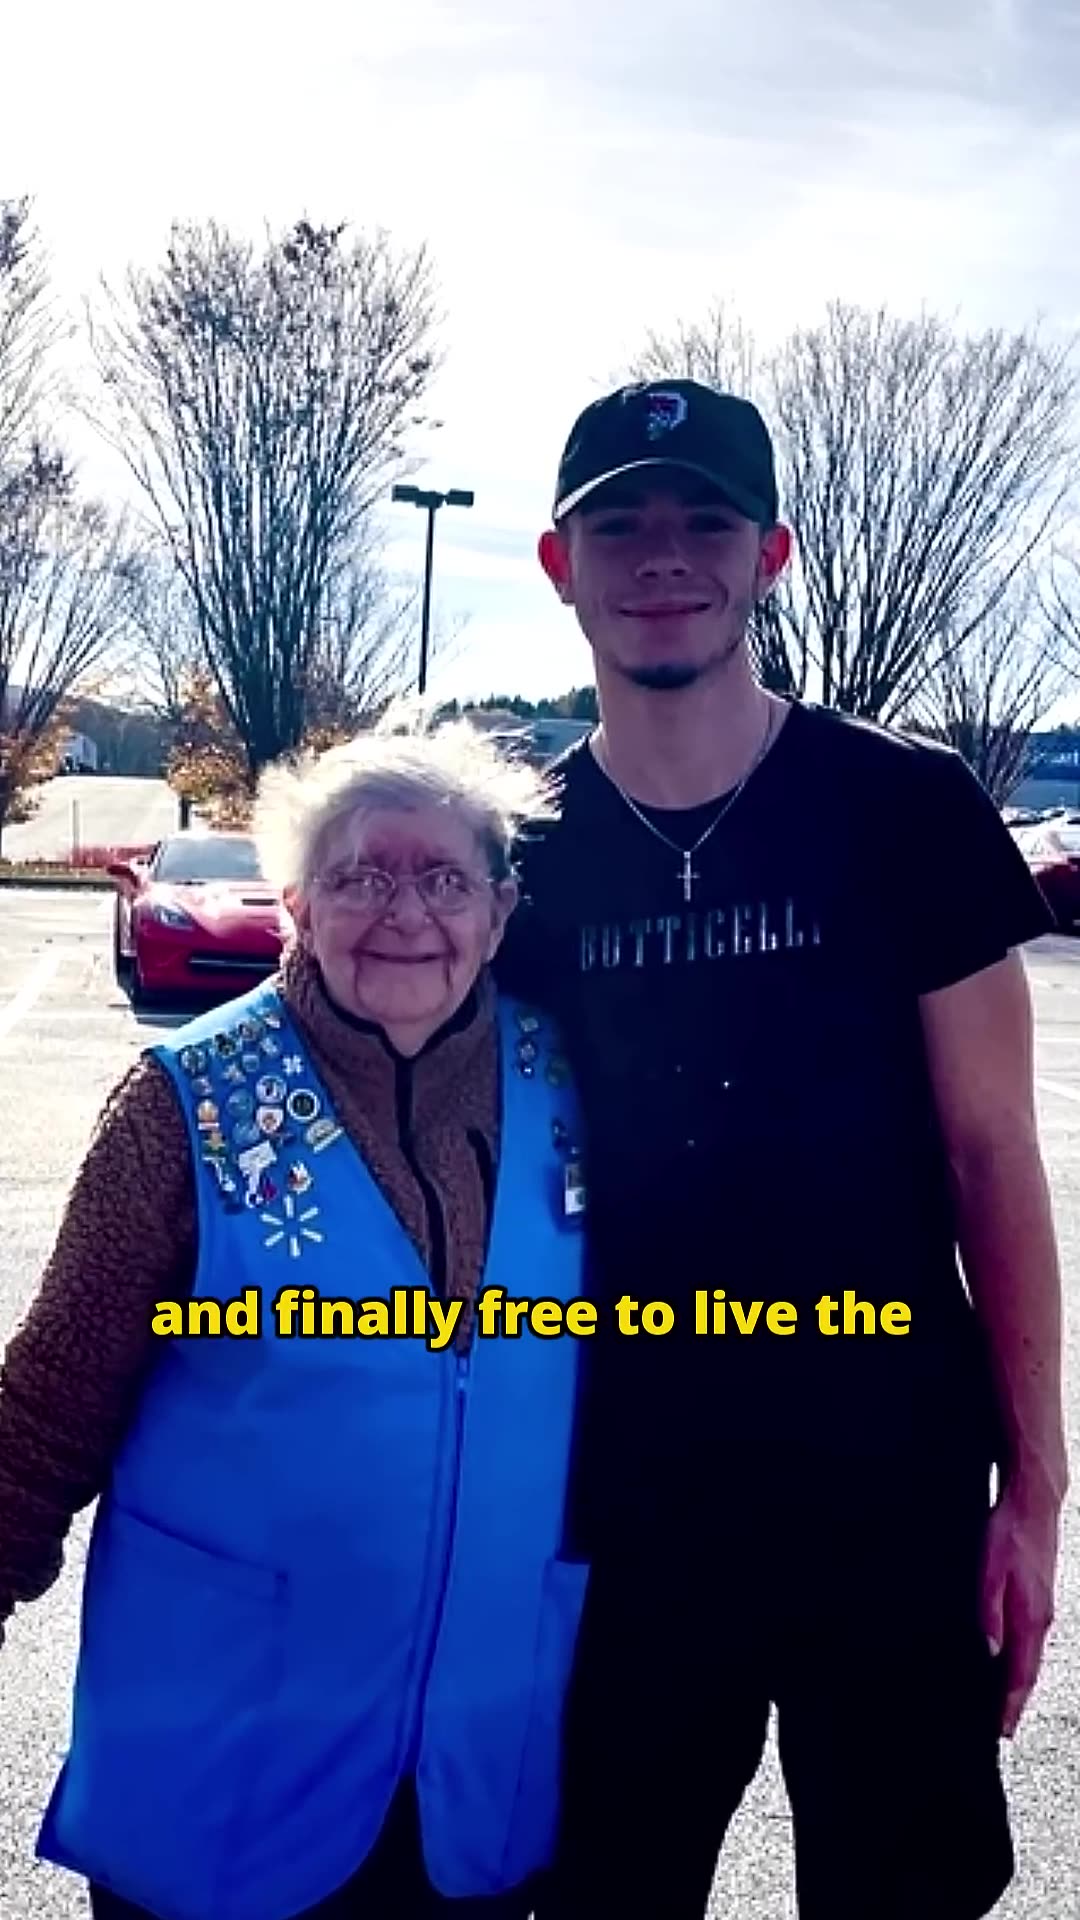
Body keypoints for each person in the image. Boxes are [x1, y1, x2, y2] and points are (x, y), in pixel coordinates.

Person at [494, 378, 1068, 1920]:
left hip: (887, 1486)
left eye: (707, 522)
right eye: (620, 524)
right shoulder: (515, 860)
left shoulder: (905, 808)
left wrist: (1036, 1488)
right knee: (608, 1887)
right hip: (616, 1504)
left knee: (907, 1888)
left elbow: (993, 1157)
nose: (662, 556)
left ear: (774, 555)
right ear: (561, 566)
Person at [0, 714, 591, 1920]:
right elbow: (50, 1405)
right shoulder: (183, 1105)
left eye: (443, 878)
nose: (405, 912)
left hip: (475, 1769)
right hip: (225, 1747)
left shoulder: (575, 1087)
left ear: (501, 911)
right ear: (296, 905)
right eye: (360, 874)